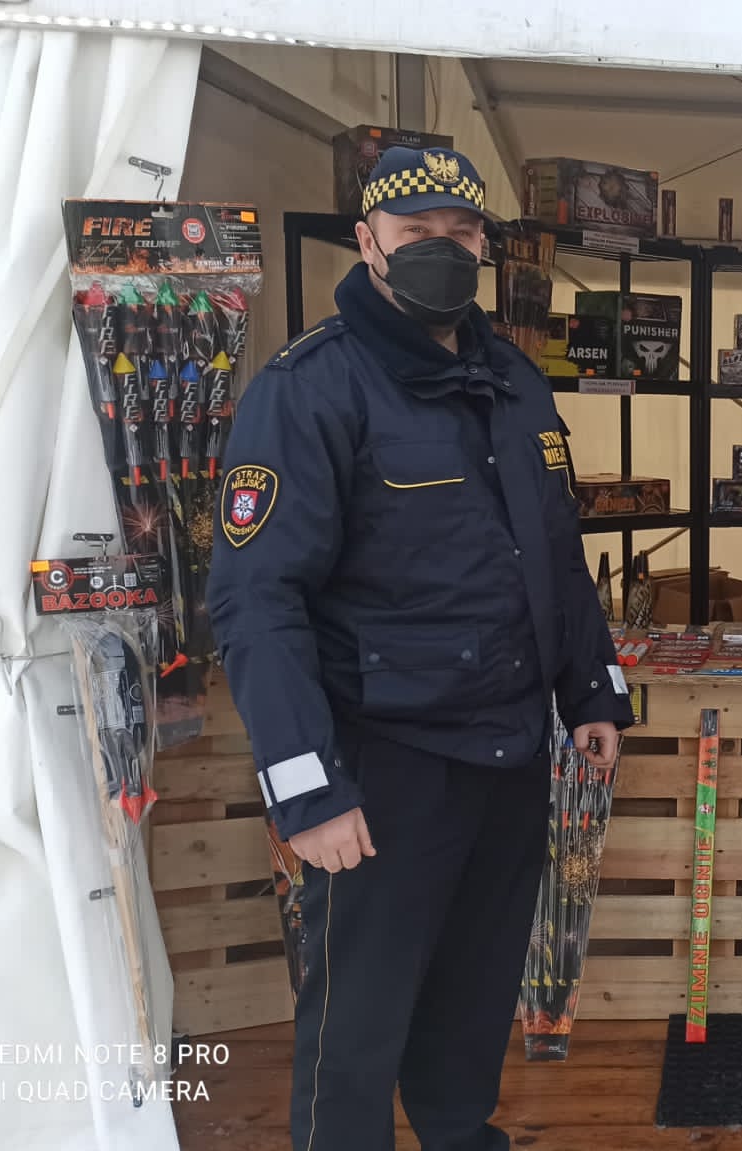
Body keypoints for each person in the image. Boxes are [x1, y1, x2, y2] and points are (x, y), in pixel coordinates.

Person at [207, 146, 633, 1151]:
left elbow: (555, 553)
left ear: (484, 243)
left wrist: (593, 688)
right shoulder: (311, 389)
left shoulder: (514, 381)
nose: (442, 248)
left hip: (507, 752)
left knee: (473, 1001)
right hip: (383, 766)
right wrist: (308, 788)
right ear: (368, 242)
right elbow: (256, 600)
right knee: (355, 1023)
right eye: (415, 233)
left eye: (460, 230)